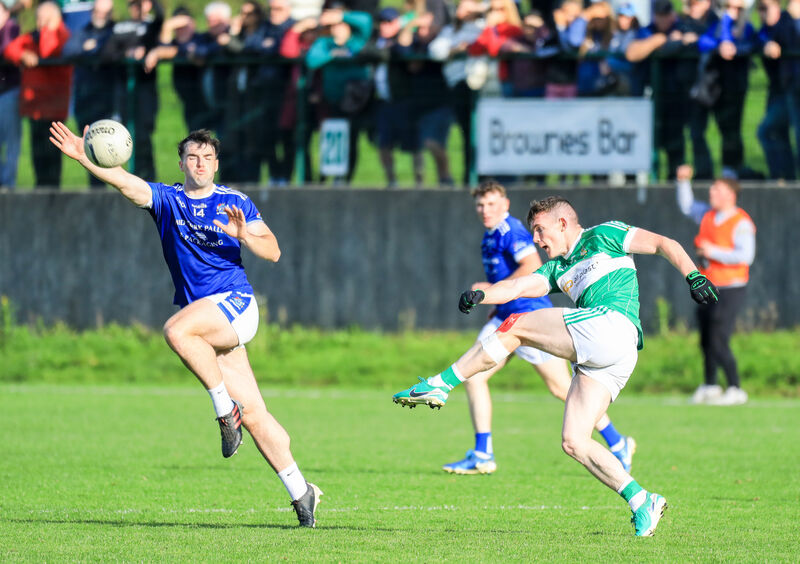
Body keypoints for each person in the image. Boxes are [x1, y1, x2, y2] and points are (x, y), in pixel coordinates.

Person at [393, 196, 720, 536]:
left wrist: (694, 276)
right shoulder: (556, 268)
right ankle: (642, 501)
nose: (536, 239)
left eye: (539, 230)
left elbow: (664, 243)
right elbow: (519, 285)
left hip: (613, 326)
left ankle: (441, 383)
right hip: (606, 357)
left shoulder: (605, 234)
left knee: (517, 324)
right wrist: (483, 295)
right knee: (574, 441)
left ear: (563, 224)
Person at [48, 123, 323, 527]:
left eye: (207, 158)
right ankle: (302, 493)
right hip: (207, 316)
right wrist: (85, 157)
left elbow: (274, 251)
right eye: (192, 157)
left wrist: (245, 234)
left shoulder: (235, 202)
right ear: (181, 163)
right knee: (257, 415)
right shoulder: (168, 199)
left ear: (216, 164)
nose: (200, 164)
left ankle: (224, 412)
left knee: (177, 331)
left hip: (236, 304)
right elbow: (126, 183)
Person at [440, 181, 635, 475]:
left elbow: (531, 267)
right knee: (474, 376)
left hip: (529, 315)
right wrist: (492, 301)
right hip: (505, 316)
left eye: (492, 204)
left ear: (505, 205)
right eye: (480, 205)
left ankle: (617, 442)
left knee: (561, 389)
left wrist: (489, 289)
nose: (485, 210)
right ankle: (482, 453)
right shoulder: (490, 236)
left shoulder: (512, 231)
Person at [675, 164, 755, 405]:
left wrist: (713, 251)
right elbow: (687, 206)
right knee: (706, 337)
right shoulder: (708, 214)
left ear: (730, 195)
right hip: (709, 285)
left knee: (719, 336)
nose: (711, 192)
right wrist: (682, 182)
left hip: (732, 287)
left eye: (717, 189)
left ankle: (735, 388)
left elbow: (745, 256)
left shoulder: (741, 222)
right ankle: (710, 385)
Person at [3, 1, 71, 188]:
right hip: (35, 108)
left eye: (44, 19)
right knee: (38, 155)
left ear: (54, 19)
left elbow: (48, 50)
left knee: (52, 157)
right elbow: (10, 49)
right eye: (38, 19)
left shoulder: (62, 35)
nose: (39, 23)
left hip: (54, 108)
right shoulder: (34, 36)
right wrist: (23, 55)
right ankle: (41, 193)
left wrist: (48, 29)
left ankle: (52, 198)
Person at [62, 0, 115, 189]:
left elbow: (111, 52)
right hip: (85, 98)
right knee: (91, 146)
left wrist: (91, 48)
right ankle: (97, 190)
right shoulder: (82, 31)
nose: (100, 15)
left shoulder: (116, 30)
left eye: (104, 12)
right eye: (97, 11)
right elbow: (68, 50)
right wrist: (86, 48)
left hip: (110, 99)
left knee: (112, 147)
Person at [0, 1, 20, 190]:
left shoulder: (12, 28)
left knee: (11, 141)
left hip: (9, 92)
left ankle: (8, 183)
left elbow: (8, 50)